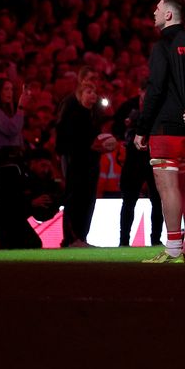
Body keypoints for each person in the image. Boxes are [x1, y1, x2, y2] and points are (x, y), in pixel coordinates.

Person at [135, 0, 185, 264]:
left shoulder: (162, 46)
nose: (154, 13)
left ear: (169, 14)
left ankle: (172, 248)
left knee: (168, 188)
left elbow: (155, 90)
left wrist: (141, 128)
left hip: (166, 127)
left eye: (157, 9)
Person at [57, 80, 106, 248]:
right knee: (75, 201)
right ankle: (71, 238)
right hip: (77, 165)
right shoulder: (75, 115)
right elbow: (69, 141)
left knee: (88, 201)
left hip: (91, 164)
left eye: (94, 92)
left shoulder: (94, 115)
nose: (92, 95)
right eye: (88, 92)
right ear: (80, 95)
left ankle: (82, 237)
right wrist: (90, 145)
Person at [113, 87, 164, 248]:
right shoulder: (128, 109)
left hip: (153, 157)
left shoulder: (160, 112)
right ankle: (123, 241)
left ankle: (155, 239)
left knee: (157, 201)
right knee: (129, 201)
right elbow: (117, 130)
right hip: (134, 160)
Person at [0, 77, 24, 159]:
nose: (10, 92)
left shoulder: (8, 111)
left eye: (11, 89)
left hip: (11, 153)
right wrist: (21, 107)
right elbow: (12, 129)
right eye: (6, 89)